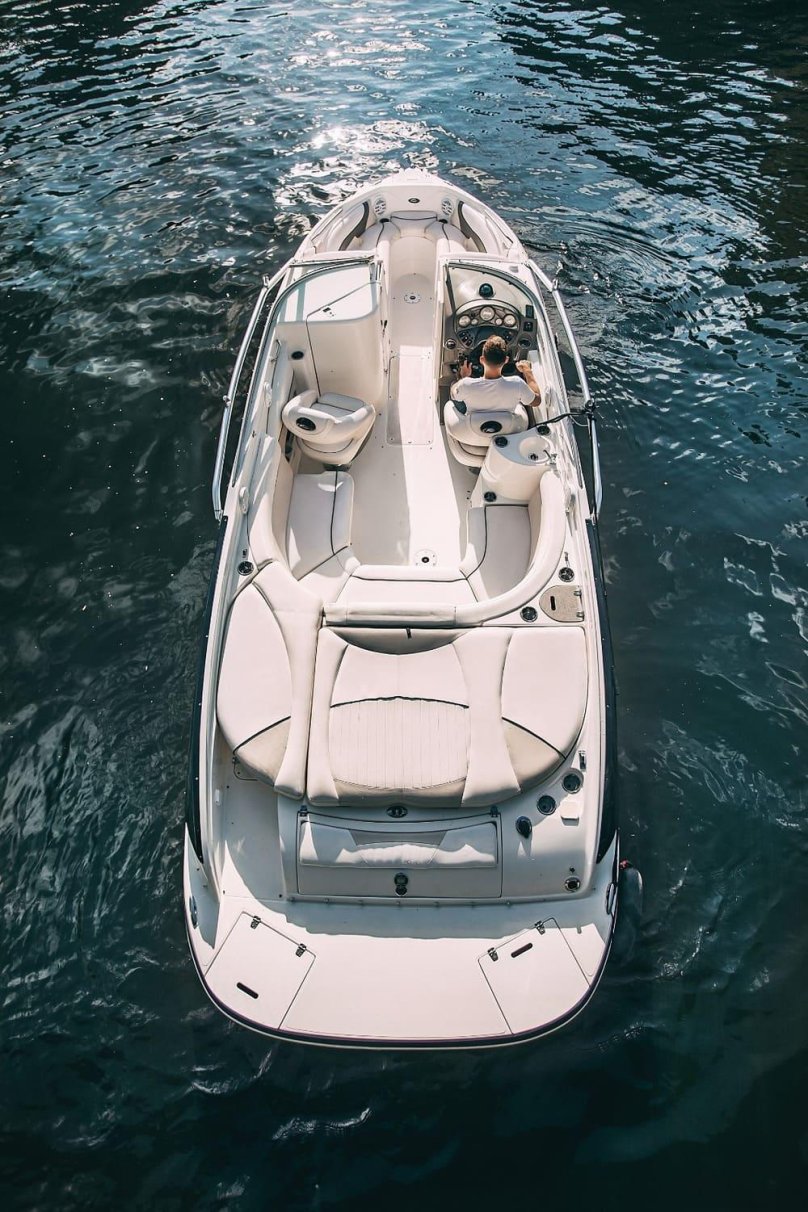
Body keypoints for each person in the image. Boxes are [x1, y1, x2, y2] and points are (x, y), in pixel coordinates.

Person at [450, 334, 542, 414]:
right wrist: (527, 370)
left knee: (453, 385)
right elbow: (537, 401)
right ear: (506, 360)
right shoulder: (517, 384)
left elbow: (453, 394)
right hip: (507, 426)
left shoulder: (466, 384)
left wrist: (463, 378)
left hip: (475, 426)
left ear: (482, 359)